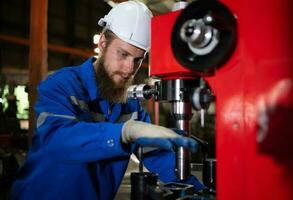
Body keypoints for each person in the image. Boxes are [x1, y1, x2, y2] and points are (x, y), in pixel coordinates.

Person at [11, 1, 203, 199]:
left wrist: (199, 192)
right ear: (102, 42)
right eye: (123, 54)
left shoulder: (130, 106)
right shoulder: (61, 85)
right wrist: (122, 133)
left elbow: (157, 155)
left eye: (138, 59)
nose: (130, 68)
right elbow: (58, 139)